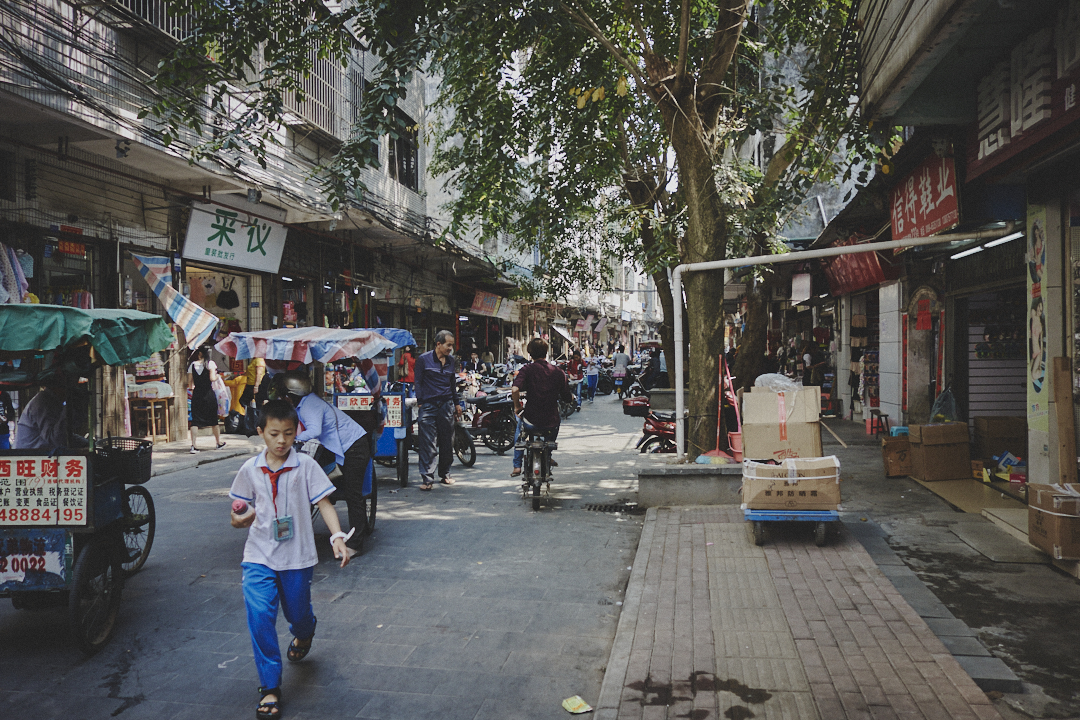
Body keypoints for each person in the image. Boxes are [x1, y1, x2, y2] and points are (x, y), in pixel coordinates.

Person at [229, 399, 353, 720]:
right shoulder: (249, 470)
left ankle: (306, 629)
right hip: (258, 556)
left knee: (297, 612)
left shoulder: (307, 466)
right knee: (259, 616)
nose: (281, 441)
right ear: (261, 433)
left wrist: (337, 537)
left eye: (287, 433)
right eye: (274, 434)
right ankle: (269, 687)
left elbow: (324, 504)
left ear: (297, 431)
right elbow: (237, 514)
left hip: (297, 557)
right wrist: (241, 518)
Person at [281, 370, 370, 558]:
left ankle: (356, 544)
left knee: (353, 494)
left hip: (354, 446)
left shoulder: (308, 406)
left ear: (291, 396)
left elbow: (314, 429)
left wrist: (292, 439)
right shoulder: (306, 402)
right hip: (343, 446)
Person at [510, 338, 570, 477]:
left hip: (531, 419)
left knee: (520, 433)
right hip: (551, 422)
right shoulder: (558, 372)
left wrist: (517, 407)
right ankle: (548, 455)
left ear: (530, 354)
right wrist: (571, 398)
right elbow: (567, 396)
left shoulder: (526, 369)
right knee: (557, 422)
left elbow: (514, 390)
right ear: (546, 352)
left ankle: (517, 466)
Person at [413, 330, 462, 491]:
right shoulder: (423, 360)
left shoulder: (451, 361)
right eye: (448, 345)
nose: (450, 348)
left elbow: (452, 383)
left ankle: (445, 474)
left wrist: (456, 403)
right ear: (438, 344)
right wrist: (421, 402)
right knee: (428, 443)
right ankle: (427, 478)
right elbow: (418, 382)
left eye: (452, 346)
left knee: (447, 441)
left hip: (446, 404)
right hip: (428, 405)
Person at [15, 372, 82, 450]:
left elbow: (64, 435)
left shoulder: (54, 402)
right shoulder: (44, 401)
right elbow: (55, 439)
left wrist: (88, 443)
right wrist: (69, 408)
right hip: (30, 457)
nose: (73, 388)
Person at [188, 346, 226, 454]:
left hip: (197, 395)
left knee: (195, 421)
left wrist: (195, 387)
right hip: (209, 394)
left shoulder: (192, 365)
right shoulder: (211, 364)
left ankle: (194, 445)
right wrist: (218, 376)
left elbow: (190, 384)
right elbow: (212, 378)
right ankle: (218, 443)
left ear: (200, 353)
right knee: (214, 420)